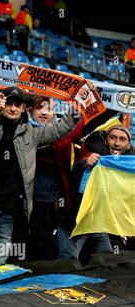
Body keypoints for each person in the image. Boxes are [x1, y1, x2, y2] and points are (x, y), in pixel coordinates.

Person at [0, 87, 78, 269]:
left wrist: (79, 104)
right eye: (8, 103)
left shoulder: (32, 134)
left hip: (7, 214)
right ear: (1, 105)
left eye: (17, 105)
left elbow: (61, 128)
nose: (12, 108)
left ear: (24, 108)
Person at [26, 96, 116, 260]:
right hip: (22, 199)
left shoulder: (66, 131)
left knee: (47, 245)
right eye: (40, 108)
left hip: (53, 200)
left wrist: (115, 101)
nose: (45, 113)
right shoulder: (20, 131)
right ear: (29, 110)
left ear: (55, 112)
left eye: (50, 108)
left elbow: (93, 120)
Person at [57, 125, 133, 261]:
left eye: (122, 139)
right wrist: (85, 163)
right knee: (68, 259)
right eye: (112, 138)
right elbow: (73, 175)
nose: (116, 143)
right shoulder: (93, 155)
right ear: (105, 141)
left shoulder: (130, 166)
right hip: (77, 221)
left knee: (108, 259)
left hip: (99, 223)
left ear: (128, 145)